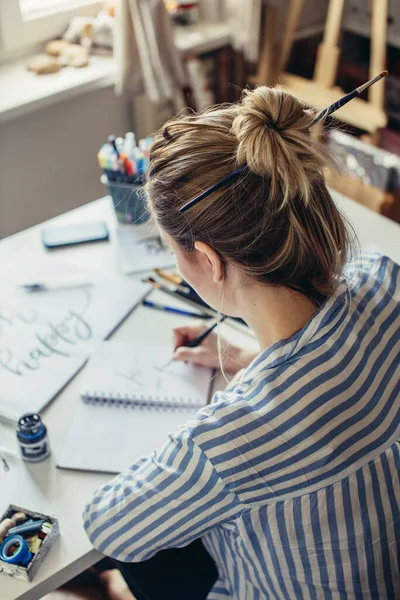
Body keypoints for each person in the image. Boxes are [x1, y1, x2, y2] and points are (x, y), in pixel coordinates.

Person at [83, 86, 400, 599]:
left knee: (139, 564)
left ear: (207, 261)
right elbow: (336, 373)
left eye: (173, 252)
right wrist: (251, 360)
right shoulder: (386, 283)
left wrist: (196, 437)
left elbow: (107, 525)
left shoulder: (226, 442)